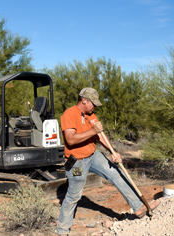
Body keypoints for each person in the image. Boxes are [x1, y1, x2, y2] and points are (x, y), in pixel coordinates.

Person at [55, 87, 160, 235]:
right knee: (73, 196)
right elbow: (70, 140)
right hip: (77, 162)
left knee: (116, 174)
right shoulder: (69, 114)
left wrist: (113, 151)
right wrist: (93, 131)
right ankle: (62, 231)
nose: (95, 107)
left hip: (93, 156)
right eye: (93, 103)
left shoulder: (91, 115)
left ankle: (139, 208)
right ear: (84, 100)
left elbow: (100, 136)